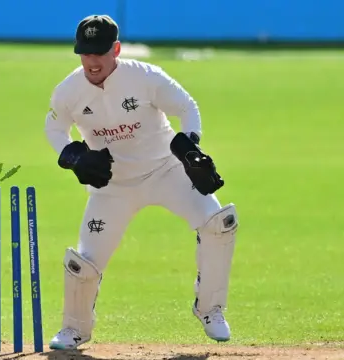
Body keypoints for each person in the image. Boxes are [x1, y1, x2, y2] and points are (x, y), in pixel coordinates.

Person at [43, 14, 239, 350]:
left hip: (166, 171)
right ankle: (74, 329)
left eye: (99, 52)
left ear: (116, 49)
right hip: (113, 185)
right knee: (84, 260)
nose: (91, 61)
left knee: (220, 223)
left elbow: (187, 107)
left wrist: (191, 147)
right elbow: (54, 129)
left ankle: (210, 308)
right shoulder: (68, 91)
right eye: (85, 53)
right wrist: (73, 156)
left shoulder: (146, 77)